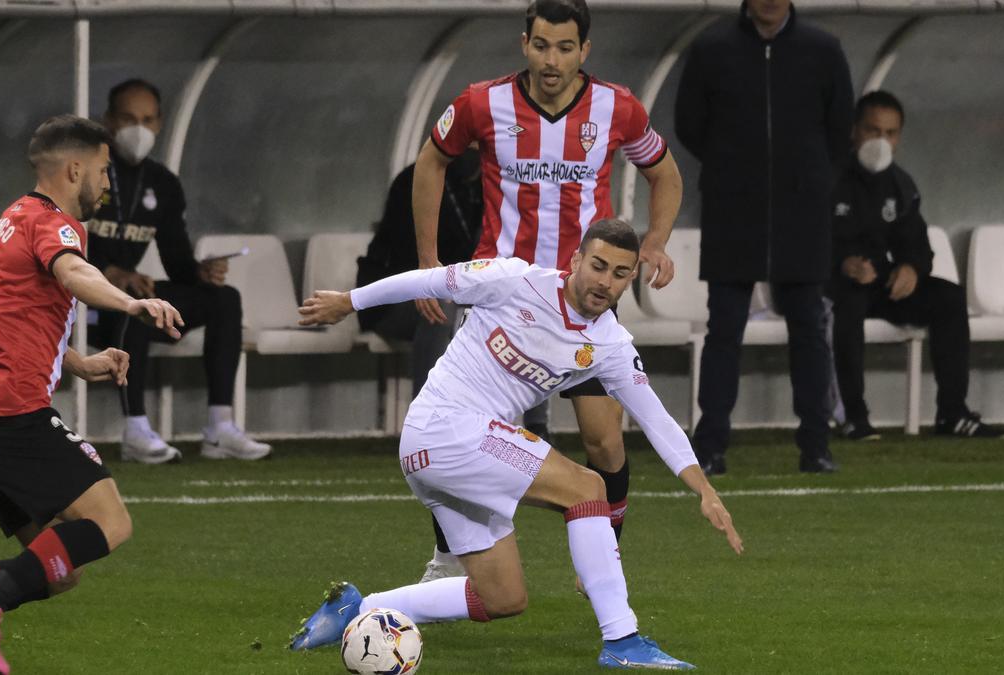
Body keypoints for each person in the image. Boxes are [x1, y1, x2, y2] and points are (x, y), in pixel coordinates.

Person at [291, 219, 741, 669]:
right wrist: (349, 301)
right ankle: (622, 640)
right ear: (576, 260)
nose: (605, 282)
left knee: (502, 596)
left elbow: (657, 419)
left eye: (620, 274)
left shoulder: (611, 345)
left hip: (452, 453)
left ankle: (357, 608)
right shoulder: (513, 280)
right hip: (443, 427)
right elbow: (429, 279)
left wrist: (704, 489)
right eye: (599, 266)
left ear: (630, 280)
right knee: (588, 489)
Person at [0, 115, 184, 675]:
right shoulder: (54, 223)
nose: (107, 183)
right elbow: (73, 274)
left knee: (56, 569)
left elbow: (13, 325)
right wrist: (131, 302)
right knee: (112, 524)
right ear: (74, 169)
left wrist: (77, 362)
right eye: (101, 170)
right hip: (13, 415)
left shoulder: (11, 219)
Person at [411, 0, 683, 582]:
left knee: (604, 441)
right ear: (524, 44)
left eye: (564, 47)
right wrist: (429, 261)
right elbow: (430, 163)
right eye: (541, 45)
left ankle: (602, 565)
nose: (551, 60)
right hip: (502, 305)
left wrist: (655, 243)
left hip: (583, 304)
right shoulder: (482, 103)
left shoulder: (618, 107)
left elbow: (665, 171)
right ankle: (447, 559)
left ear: (585, 50)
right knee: (470, 431)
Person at [675, 0, 853, 474]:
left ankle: (816, 446)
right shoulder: (712, 48)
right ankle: (710, 445)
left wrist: (811, 179)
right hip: (732, 212)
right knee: (724, 331)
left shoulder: (823, 49)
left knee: (810, 332)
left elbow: (840, 130)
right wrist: (732, 168)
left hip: (803, 215)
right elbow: (689, 124)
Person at [87, 79, 269, 463]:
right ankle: (135, 429)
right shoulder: (86, 171)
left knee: (223, 299)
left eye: (148, 119)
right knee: (137, 303)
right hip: (80, 304)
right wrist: (107, 273)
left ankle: (220, 428)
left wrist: (200, 273)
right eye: (128, 118)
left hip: (127, 298)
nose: (139, 129)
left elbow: (176, 261)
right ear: (108, 121)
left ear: (159, 125)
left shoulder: (162, 183)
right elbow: (56, 244)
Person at [830, 91, 1004, 440]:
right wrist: (841, 263)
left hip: (880, 283)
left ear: (898, 138)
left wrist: (910, 268)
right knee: (847, 307)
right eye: (872, 130)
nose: (881, 141)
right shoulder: (828, 178)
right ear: (854, 131)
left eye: (890, 133)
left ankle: (952, 413)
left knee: (949, 298)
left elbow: (918, 246)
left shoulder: (900, 184)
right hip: (832, 285)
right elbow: (801, 241)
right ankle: (854, 416)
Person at [356, 149, 482, 396]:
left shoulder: (479, 188)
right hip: (393, 300)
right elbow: (404, 256)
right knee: (438, 309)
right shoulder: (414, 182)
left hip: (453, 296)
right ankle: (426, 415)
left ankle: (491, 419)